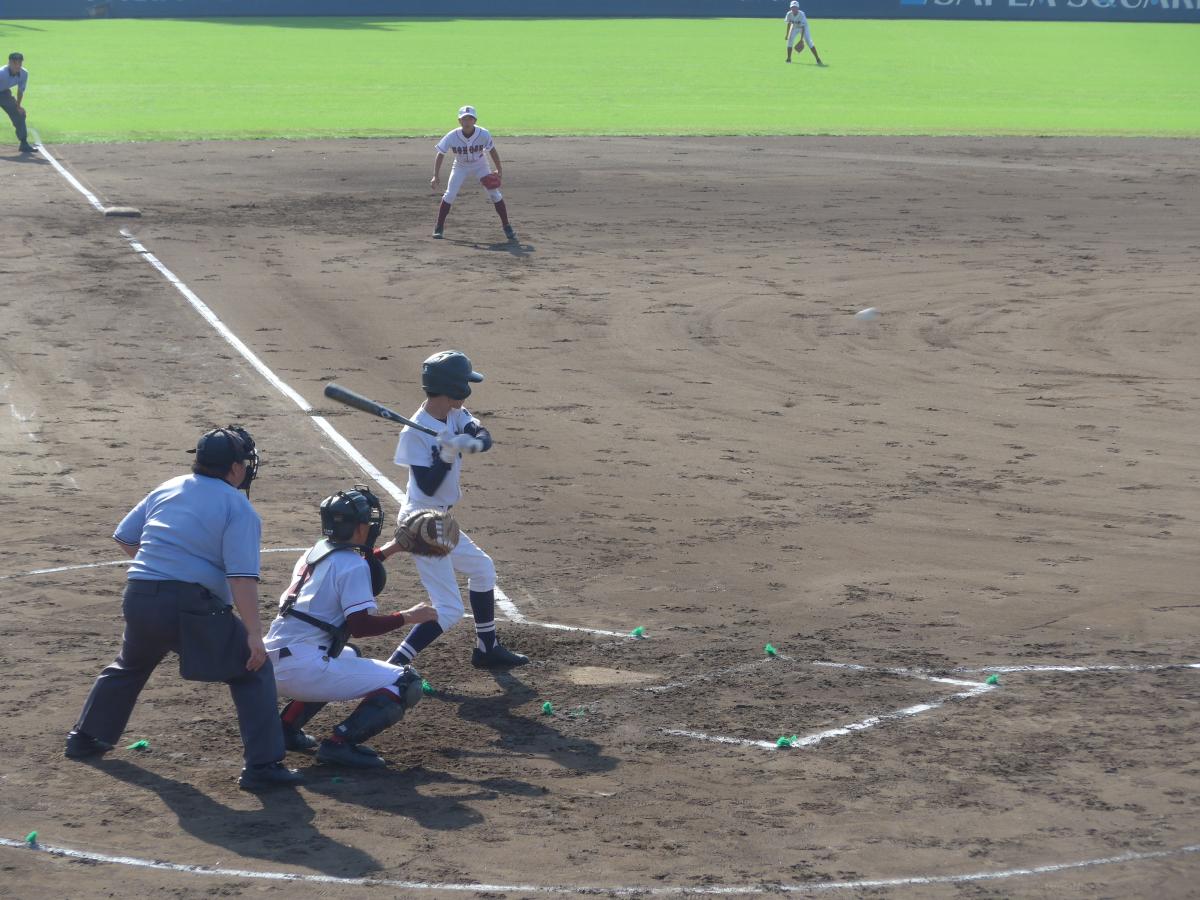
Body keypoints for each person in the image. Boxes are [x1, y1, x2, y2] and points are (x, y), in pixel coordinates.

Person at [65, 426, 302, 792]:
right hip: (191, 607)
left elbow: (126, 537)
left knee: (130, 664)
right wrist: (255, 635)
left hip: (140, 595)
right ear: (237, 468)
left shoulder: (168, 486)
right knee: (253, 669)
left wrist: (166, 563)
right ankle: (263, 766)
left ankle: (84, 736)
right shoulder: (237, 506)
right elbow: (241, 578)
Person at [374, 350, 528, 671]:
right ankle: (393, 668)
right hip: (421, 522)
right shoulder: (413, 432)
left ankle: (487, 648)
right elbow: (427, 486)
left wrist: (469, 442)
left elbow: (483, 435)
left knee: (483, 569)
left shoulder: (454, 415)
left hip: (440, 518)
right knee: (448, 609)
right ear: (453, 387)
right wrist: (445, 453)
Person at [266, 485, 439, 768]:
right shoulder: (351, 565)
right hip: (302, 670)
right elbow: (360, 625)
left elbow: (351, 566)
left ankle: (284, 729)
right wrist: (408, 616)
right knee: (406, 682)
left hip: (271, 662)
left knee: (347, 653)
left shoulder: (313, 554)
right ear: (360, 528)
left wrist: (392, 549)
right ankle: (339, 744)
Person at [430, 105, 516, 242]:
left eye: (470, 118)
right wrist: (436, 175)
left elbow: (492, 150)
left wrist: (499, 169)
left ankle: (507, 226)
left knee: (494, 194)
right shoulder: (452, 136)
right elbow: (440, 154)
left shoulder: (483, 133)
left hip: (480, 165)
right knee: (450, 194)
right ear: (459, 121)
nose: (467, 121)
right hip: (460, 166)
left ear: (475, 120)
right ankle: (439, 227)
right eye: (464, 118)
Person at [1, 52, 37, 154]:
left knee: (19, 114)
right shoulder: (1, 73)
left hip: (3, 93)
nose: (17, 66)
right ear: (9, 63)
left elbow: (20, 91)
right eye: (15, 63)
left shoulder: (24, 73)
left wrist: (18, 106)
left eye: (19, 63)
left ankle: (24, 143)